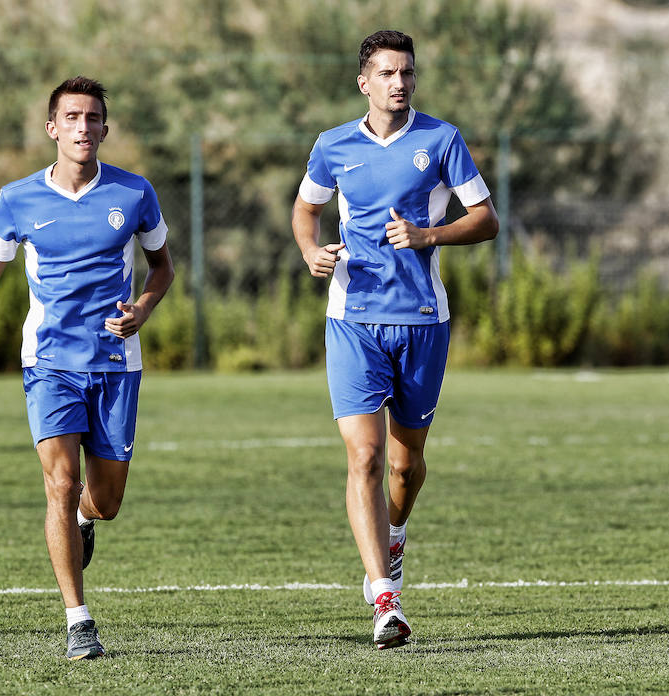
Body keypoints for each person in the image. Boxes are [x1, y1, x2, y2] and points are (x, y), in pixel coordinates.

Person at [291, 30, 498, 650]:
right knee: (366, 459)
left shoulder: (442, 140)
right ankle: (385, 599)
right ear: (365, 82)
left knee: (405, 469)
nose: (399, 83)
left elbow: (486, 219)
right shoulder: (332, 146)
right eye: (387, 73)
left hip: (422, 322)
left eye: (407, 73)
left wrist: (428, 236)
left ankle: (396, 534)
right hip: (352, 320)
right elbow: (305, 210)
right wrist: (310, 252)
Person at [0, 76, 174, 660]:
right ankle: (78, 619)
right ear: (52, 127)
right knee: (59, 483)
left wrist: (143, 311)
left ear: (106, 128)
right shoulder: (17, 198)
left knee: (103, 501)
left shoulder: (134, 193)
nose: (84, 127)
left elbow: (162, 269)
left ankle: (87, 517)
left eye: (94, 118)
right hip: (50, 363)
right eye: (72, 117)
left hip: (115, 364)